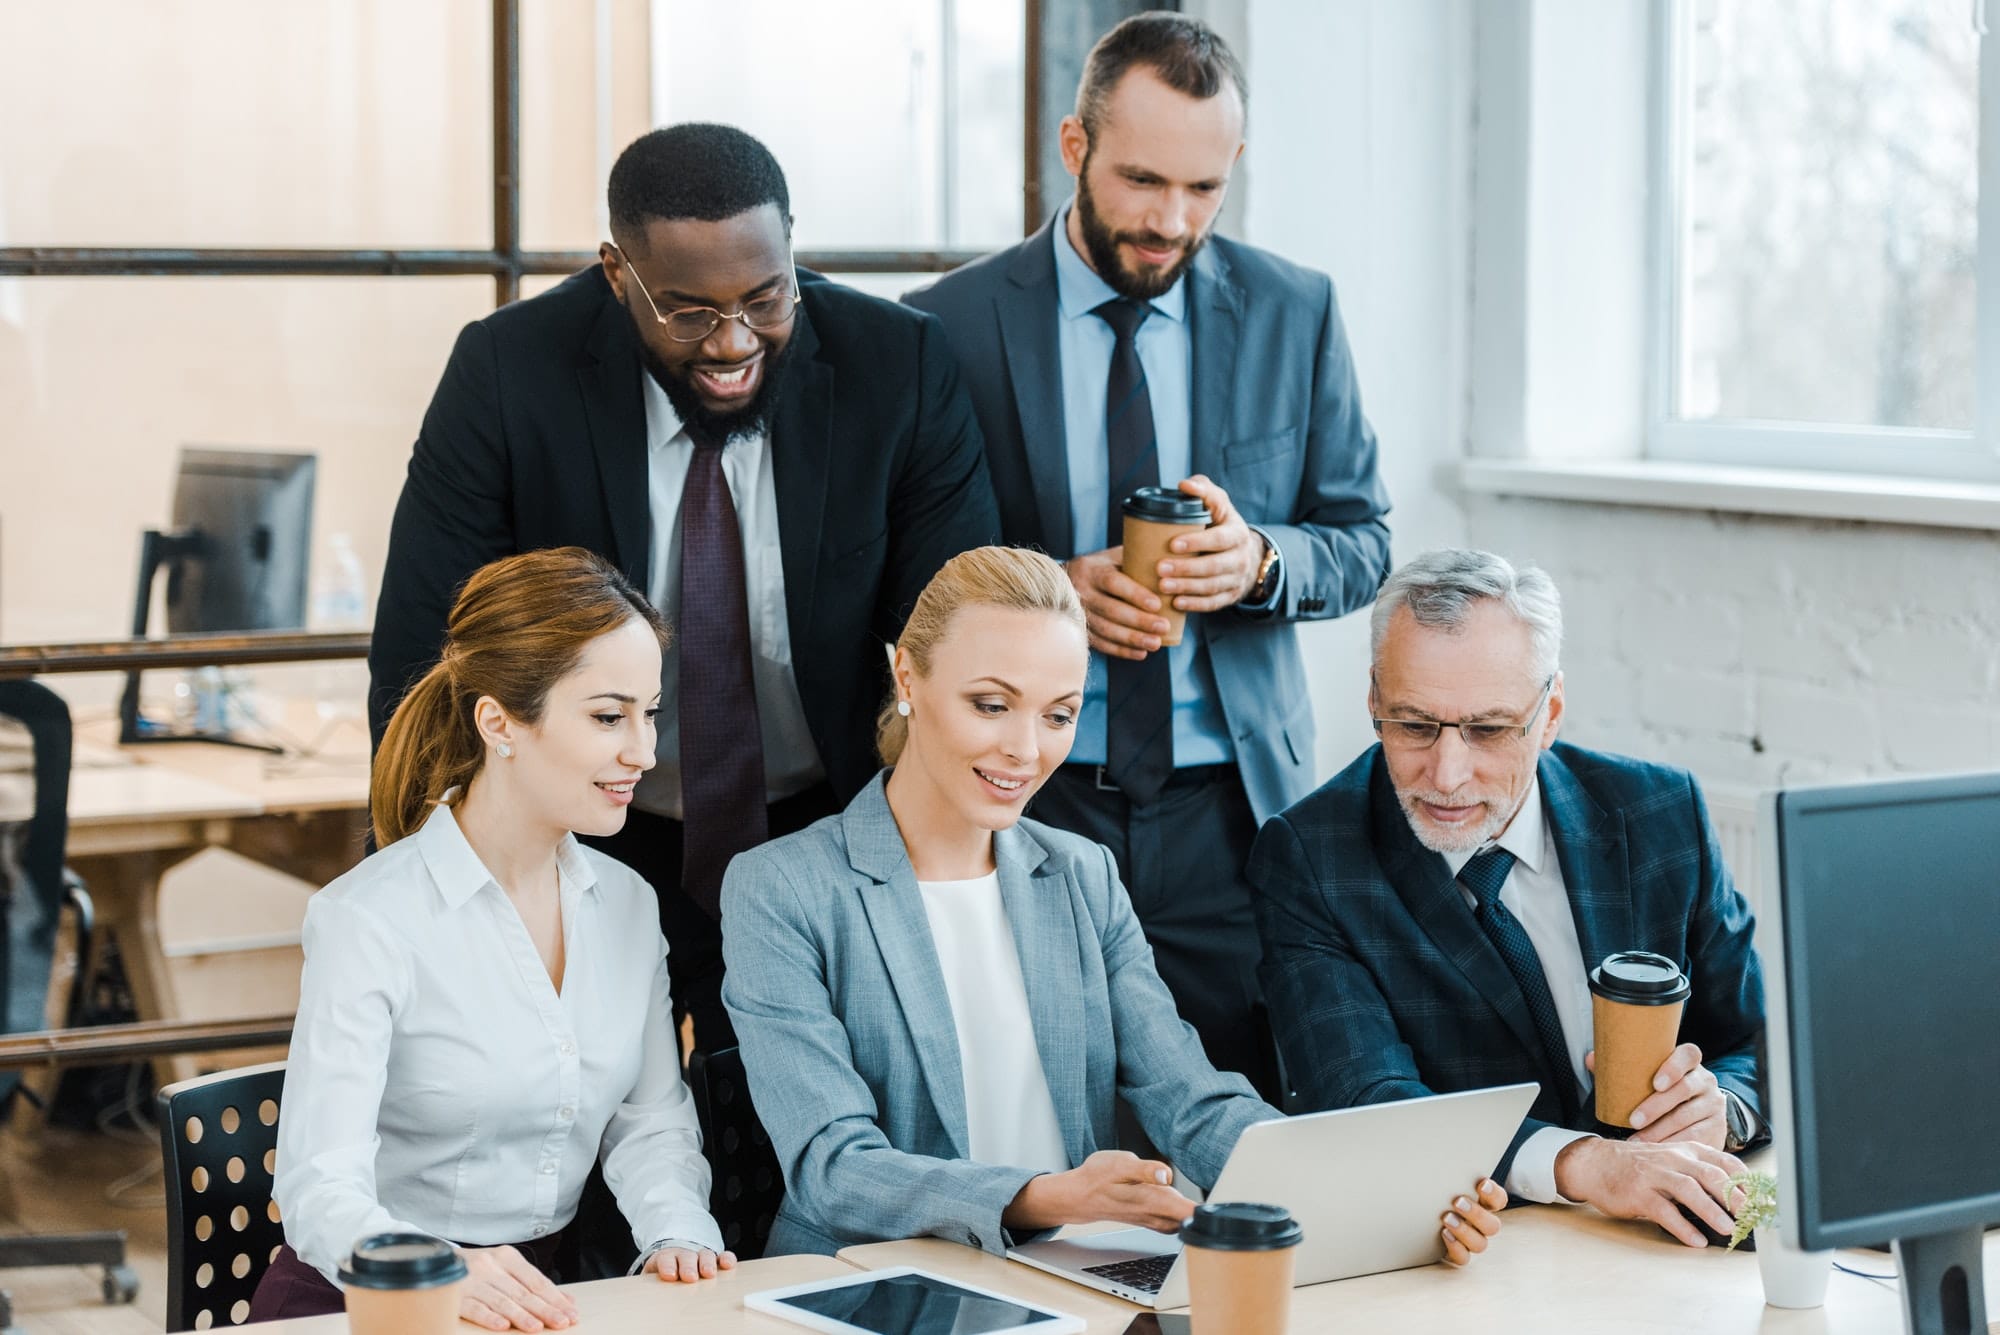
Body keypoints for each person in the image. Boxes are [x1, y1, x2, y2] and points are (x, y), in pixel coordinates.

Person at [369, 122, 1001, 1060]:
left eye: (764, 296)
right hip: (581, 834)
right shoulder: (508, 374)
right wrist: (442, 904)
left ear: (793, 241)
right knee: (584, 1135)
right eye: (688, 312)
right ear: (616, 273)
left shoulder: (897, 367)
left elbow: (966, 643)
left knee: (815, 1139)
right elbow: (426, 661)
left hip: (828, 824)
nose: (734, 341)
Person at [720, 546, 1504, 1264]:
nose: (1026, 750)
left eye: (1058, 714)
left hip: (1071, 1276)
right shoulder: (783, 887)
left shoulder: (1081, 874)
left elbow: (1190, 1099)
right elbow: (834, 1167)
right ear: (906, 680)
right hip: (872, 1282)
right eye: (991, 704)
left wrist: (1374, 1193)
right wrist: (1046, 1197)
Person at [906, 14, 1391, 1098]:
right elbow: (902, 568)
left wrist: (1260, 563)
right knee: (1030, 1110)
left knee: (1231, 1123)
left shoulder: (1294, 312)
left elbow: (1362, 541)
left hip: (1231, 815)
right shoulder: (947, 325)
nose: (1170, 222)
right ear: (1072, 147)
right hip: (1027, 795)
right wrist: (1041, 596)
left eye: (1202, 190)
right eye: (1139, 181)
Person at [259, 549, 731, 1328]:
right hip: (371, 1301)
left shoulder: (627, 904)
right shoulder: (369, 918)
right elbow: (319, 1188)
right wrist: (440, 1268)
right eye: (609, 716)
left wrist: (678, 1229)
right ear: (499, 722)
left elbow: (650, 1120)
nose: (644, 751)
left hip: (550, 1296)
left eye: (650, 712)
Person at [1250, 549, 1769, 1249]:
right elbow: (1367, 1105)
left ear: (1548, 712)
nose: (1447, 772)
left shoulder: (1660, 812)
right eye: (1413, 724)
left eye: (1488, 730)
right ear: (1375, 699)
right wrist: (1583, 1162)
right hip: (1474, 1256)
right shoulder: (1310, 857)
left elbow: (1756, 1036)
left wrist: (1722, 1111)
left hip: (1673, 1241)